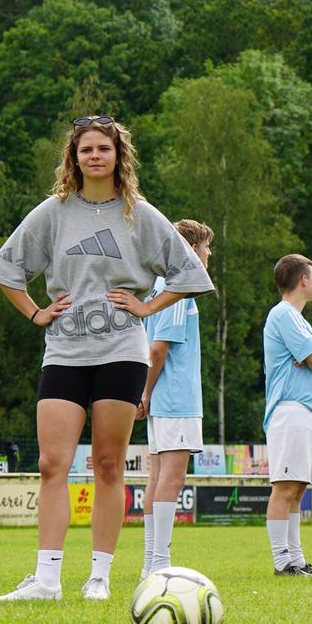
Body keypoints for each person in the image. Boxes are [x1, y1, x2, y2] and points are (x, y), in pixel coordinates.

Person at [0, 116, 213, 601]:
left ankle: (99, 578)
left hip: (121, 354)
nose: (94, 156)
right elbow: (7, 270)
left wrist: (148, 306)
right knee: (52, 463)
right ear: (73, 157)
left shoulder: (140, 214)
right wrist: (35, 313)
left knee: (108, 465)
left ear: (117, 156)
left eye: (103, 149)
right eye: (85, 149)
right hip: (64, 353)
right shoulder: (53, 211)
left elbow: (189, 273)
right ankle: (46, 580)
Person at [138, 219, 212, 576]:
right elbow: (158, 350)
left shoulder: (155, 286)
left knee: (156, 477)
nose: (209, 253)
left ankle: (150, 562)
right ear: (192, 249)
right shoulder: (177, 285)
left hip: (163, 401)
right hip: (175, 398)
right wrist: (147, 392)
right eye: (206, 247)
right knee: (172, 478)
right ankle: (160, 563)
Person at [264, 254, 312, 576]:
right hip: (290, 410)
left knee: (298, 489)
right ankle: (283, 562)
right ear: (303, 280)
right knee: (286, 488)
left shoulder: (298, 318)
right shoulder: (284, 315)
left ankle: (297, 559)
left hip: (306, 413)